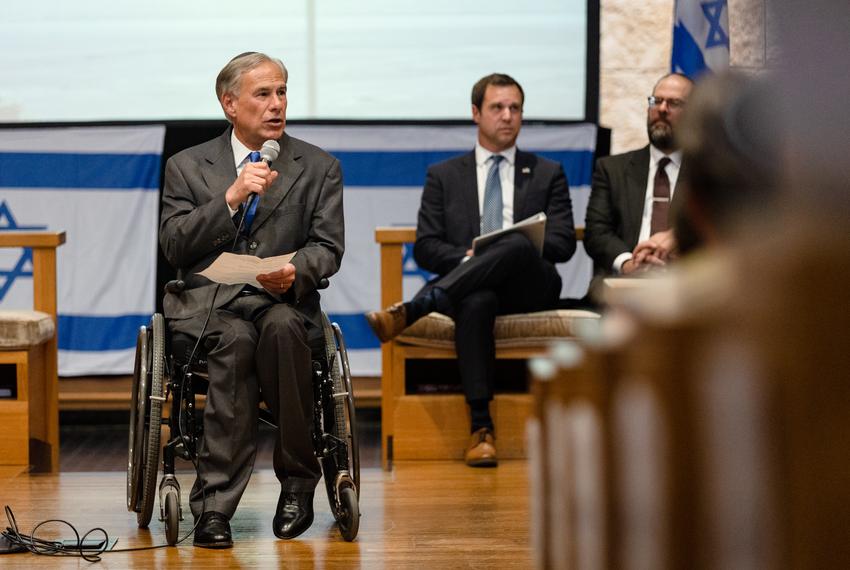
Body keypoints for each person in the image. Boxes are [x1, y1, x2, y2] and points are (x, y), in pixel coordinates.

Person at [159, 52, 344, 548]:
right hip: (210, 309)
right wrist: (231, 197)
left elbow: (327, 247)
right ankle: (215, 508)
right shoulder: (187, 165)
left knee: (283, 330)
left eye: (282, 92)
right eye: (263, 94)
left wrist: (296, 270)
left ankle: (299, 487)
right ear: (229, 104)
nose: (276, 104)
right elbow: (175, 245)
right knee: (236, 339)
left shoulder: (318, 166)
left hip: (282, 303)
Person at [366, 73, 576, 467]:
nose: (508, 116)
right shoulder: (445, 175)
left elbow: (563, 244)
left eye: (515, 108)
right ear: (476, 113)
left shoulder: (547, 172)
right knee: (477, 298)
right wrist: (472, 259)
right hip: (471, 288)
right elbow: (427, 247)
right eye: (497, 107)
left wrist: (510, 247)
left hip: (530, 286)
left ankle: (419, 307)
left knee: (513, 242)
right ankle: (482, 429)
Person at [584, 73, 694, 292]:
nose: (662, 109)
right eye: (656, 101)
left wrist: (680, 238)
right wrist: (628, 263)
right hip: (625, 282)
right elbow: (597, 232)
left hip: (687, 280)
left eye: (674, 103)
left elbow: (727, 231)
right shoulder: (611, 169)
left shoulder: (706, 171)